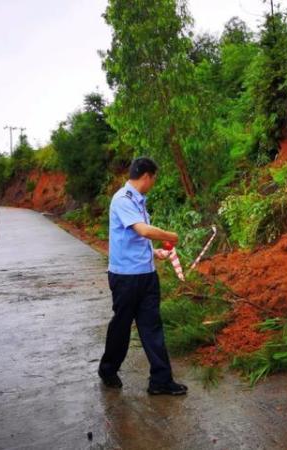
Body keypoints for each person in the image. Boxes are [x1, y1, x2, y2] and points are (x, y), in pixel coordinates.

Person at [98, 157, 187, 396]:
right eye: (154, 178)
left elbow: (138, 239)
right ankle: (108, 369)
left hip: (146, 276)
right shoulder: (122, 199)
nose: (153, 183)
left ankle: (161, 380)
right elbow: (144, 230)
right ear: (146, 176)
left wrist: (153, 251)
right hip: (126, 278)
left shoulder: (139, 202)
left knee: (152, 327)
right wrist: (171, 235)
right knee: (122, 326)